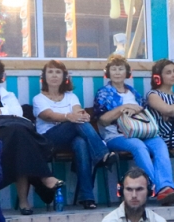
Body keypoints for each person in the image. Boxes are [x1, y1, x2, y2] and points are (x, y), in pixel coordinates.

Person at [0, 58, 61, 215]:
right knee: (19, 135)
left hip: (12, 137)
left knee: (19, 143)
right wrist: (0, 113)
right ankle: (43, 179)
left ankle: (26, 199)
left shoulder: (8, 95)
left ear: (0, 75)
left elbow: (17, 114)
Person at [95, 56, 174, 205]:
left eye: (121, 68)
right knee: (138, 146)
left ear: (127, 72)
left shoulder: (133, 92)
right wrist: (122, 109)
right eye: (113, 69)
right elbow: (102, 120)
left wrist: (137, 109)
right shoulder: (103, 93)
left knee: (159, 144)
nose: (117, 72)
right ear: (108, 72)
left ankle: (167, 186)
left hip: (141, 131)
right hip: (116, 135)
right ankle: (156, 187)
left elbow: (144, 111)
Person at [33, 60, 114, 210]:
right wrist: (70, 117)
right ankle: (102, 153)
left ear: (64, 76)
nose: (54, 75)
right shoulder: (39, 98)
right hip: (48, 140)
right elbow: (48, 115)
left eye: (58, 72)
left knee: (80, 143)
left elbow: (78, 111)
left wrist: (82, 115)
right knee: (76, 122)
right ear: (44, 76)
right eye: (50, 72)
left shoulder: (70, 96)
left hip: (70, 138)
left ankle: (87, 197)